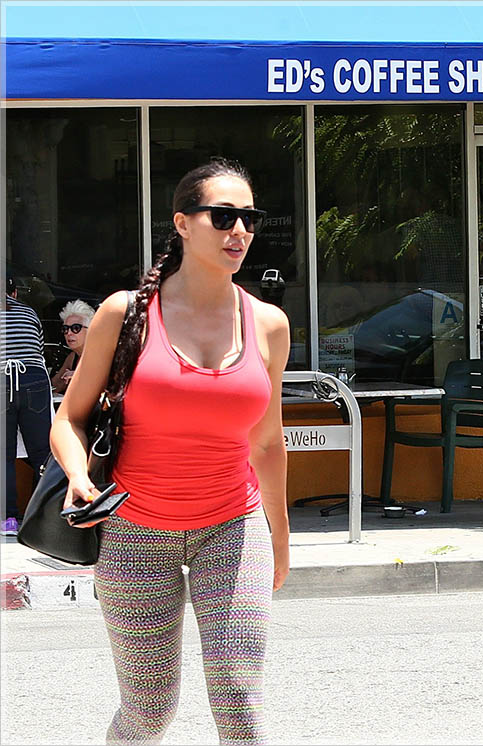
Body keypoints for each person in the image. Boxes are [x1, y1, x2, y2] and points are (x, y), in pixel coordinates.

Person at [50, 158, 291, 743]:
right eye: (224, 216)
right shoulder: (124, 314)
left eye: (249, 219)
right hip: (134, 529)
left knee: (241, 706)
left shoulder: (268, 324)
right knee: (148, 709)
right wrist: (80, 477)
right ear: (183, 223)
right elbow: (69, 420)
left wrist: (280, 538)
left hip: (232, 527)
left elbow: (266, 439)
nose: (239, 231)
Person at [2, 274, 53, 535]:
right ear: (15, 294)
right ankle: (45, 516)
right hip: (33, 378)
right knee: (41, 452)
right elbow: (39, 350)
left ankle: (9, 519)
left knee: (4, 455)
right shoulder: (30, 313)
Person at [50, 299, 95, 394]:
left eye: (76, 328)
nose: (69, 333)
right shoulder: (73, 357)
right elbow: (55, 385)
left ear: (91, 329)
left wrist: (79, 376)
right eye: (65, 329)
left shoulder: (100, 354)